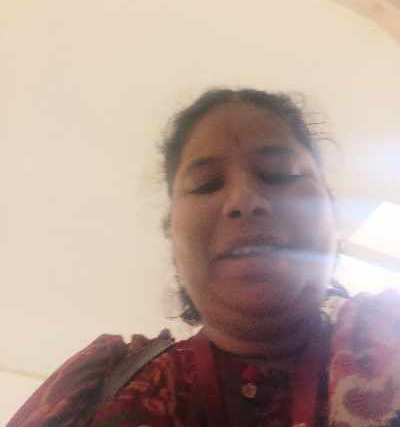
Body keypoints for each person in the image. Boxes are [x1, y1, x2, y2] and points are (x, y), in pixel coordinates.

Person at [8, 88, 400, 427]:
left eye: (280, 175)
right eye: (206, 185)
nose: (244, 200)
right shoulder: (97, 388)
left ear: (331, 212)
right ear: (172, 236)